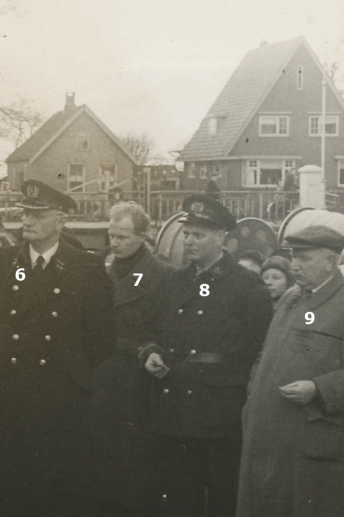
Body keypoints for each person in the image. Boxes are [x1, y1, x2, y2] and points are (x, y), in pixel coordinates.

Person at [0, 180, 115, 517]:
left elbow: (101, 338)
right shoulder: (4, 260)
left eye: (38, 214)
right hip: (10, 391)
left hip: (61, 397)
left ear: (61, 220)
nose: (28, 220)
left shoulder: (86, 266)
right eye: (25, 213)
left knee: (58, 489)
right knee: (10, 487)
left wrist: (69, 371)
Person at [140, 194, 273, 517]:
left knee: (224, 500)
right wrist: (152, 351)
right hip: (175, 414)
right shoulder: (174, 279)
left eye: (198, 235)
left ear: (221, 238)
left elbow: (261, 350)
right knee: (178, 500)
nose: (189, 241)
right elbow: (152, 330)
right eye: (187, 234)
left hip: (221, 419)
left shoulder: (247, 285)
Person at [237, 225, 344, 517]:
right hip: (266, 439)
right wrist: (252, 396)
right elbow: (266, 353)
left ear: (330, 262)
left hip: (309, 446)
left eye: (304, 258)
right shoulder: (290, 298)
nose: (294, 265)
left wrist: (319, 389)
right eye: (293, 256)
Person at [90, 202, 176, 516]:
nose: (114, 243)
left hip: (137, 382)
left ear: (143, 235)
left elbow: (168, 332)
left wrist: (150, 350)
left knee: (134, 469)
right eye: (111, 235)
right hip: (102, 379)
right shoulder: (102, 270)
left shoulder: (163, 275)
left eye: (123, 237)